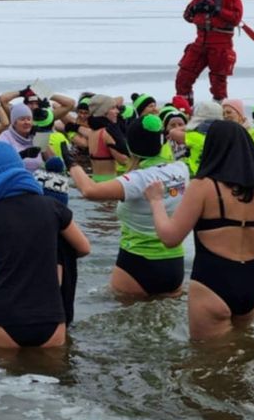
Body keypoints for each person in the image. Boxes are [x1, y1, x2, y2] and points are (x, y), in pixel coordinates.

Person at [147, 120, 254, 341]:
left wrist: (156, 201)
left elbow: (170, 238)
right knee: (242, 355)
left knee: (206, 364)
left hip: (214, 280)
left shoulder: (204, 186)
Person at [0, 142, 91, 349]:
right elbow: (84, 247)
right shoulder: (52, 207)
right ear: (20, 167)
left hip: (2, 319)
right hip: (50, 317)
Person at [65, 116, 188, 299]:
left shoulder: (138, 179)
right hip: (174, 264)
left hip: (137, 262)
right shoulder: (181, 170)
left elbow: (89, 191)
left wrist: (72, 164)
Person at [174, 0, 243, 102]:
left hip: (220, 45)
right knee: (183, 78)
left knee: (218, 83)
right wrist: (194, 9)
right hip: (199, 43)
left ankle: (219, 111)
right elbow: (187, 16)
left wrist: (216, 10)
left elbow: (236, 18)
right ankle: (185, 110)